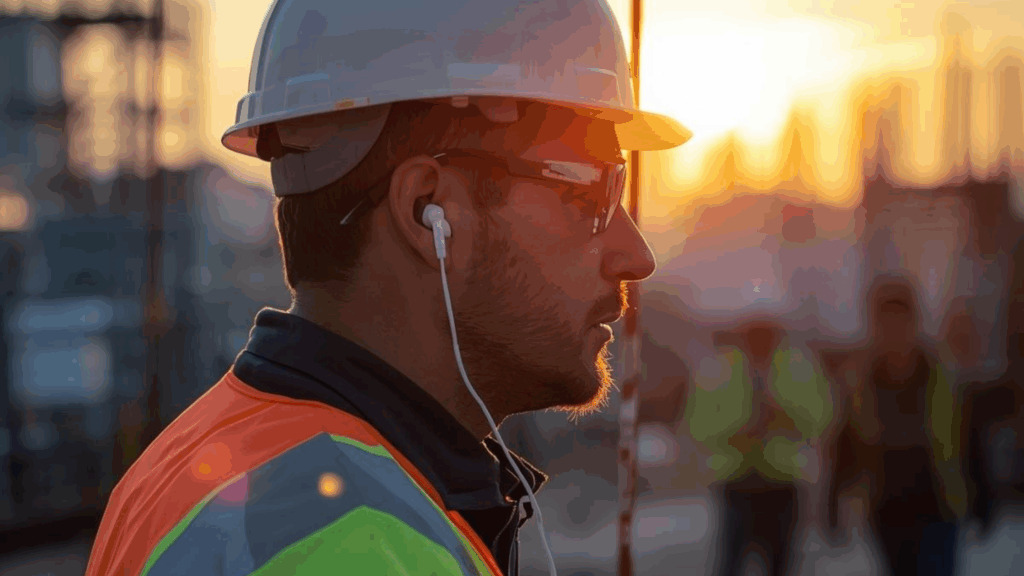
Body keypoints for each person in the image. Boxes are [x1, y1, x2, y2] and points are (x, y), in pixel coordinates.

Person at [84, 1, 691, 575]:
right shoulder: (355, 538)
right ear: (428, 210)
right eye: (592, 193)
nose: (636, 256)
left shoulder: (195, 457)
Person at [827, 274, 961, 576]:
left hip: (938, 505)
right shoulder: (860, 381)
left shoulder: (941, 376)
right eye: (885, 324)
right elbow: (844, 446)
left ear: (914, 323)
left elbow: (967, 437)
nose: (894, 333)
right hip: (887, 508)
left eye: (900, 323)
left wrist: (983, 495)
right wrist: (833, 506)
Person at [693, 321, 831, 576]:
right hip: (738, 482)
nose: (760, 340)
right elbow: (699, 425)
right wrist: (739, 433)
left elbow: (820, 416)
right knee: (731, 563)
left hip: (782, 483)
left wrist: (784, 419)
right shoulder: (719, 370)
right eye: (753, 333)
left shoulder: (798, 367)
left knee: (781, 564)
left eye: (767, 333)